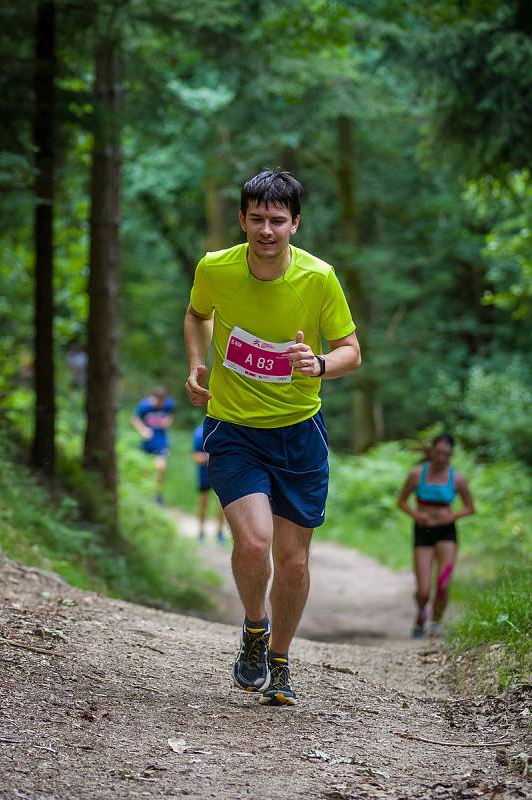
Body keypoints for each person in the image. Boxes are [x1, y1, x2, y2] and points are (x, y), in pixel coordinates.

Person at [184, 170, 361, 706]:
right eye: (256, 219)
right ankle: (254, 629)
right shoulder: (216, 267)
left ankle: (279, 659)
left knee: (293, 560)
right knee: (254, 540)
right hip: (234, 427)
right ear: (242, 219)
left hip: (298, 433)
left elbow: (351, 349)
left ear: (294, 224)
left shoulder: (319, 277)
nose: (266, 230)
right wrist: (197, 364)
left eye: (277, 221)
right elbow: (197, 316)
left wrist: (321, 363)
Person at [397, 433, 475, 639]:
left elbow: (470, 508)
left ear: (451, 455)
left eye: (446, 454)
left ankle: (436, 623)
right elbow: (402, 502)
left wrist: (452, 515)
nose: (441, 458)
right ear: (431, 451)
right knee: (423, 590)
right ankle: (422, 611)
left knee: (443, 584)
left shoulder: (457, 478)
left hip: (446, 533)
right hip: (423, 532)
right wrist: (416, 514)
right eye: (438, 453)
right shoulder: (416, 474)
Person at [132, 387, 175, 504]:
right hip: (147, 441)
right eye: (158, 402)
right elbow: (135, 419)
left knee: (161, 468)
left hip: (161, 440)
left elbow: (171, 414)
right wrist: (143, 430)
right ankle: (145, 493)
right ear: (153, 398)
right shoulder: (144, 405)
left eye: (162, 402)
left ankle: (158, 494)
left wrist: (168, 421)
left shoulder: (168, 404)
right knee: (146, 468)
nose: (160, 405)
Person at [192, 422, 227, 543]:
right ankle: (201, 532)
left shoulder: (224, 429)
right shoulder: (199, 432)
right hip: (204, 474)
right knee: (203, 503)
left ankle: (220, 533)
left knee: (222, 506)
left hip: (221, 474)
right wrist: (214, 458)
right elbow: (196, 457)